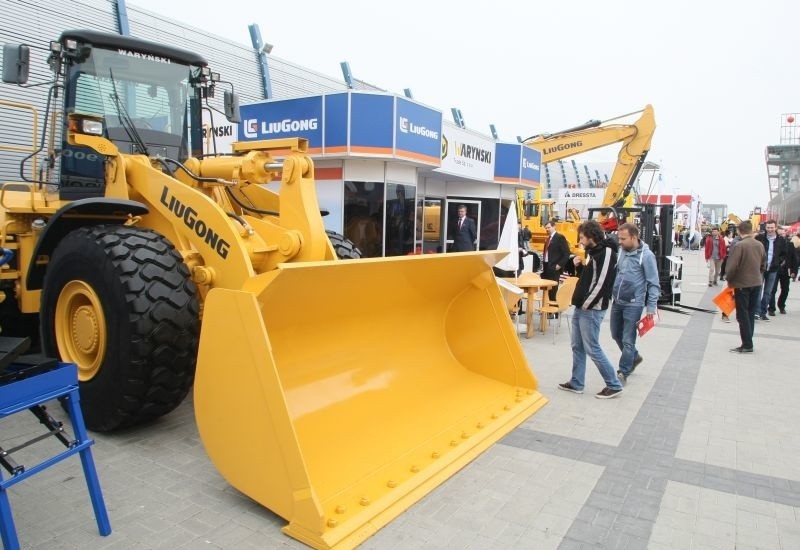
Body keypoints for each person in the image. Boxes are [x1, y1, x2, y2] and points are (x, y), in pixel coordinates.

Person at [558, 220, 623, 399]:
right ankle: (576, 382)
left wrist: (587, 304)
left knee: (592, 347)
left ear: (591, 236)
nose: (579, 239)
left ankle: (613, 384)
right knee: (577, 346)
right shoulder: (594, 252)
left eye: (582, 236)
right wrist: (578, 266)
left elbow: (602, 282)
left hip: (592, 308)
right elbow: (590, 278)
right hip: (583, 306)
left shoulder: (606, 252)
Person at [610, 223, 660, 384]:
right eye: (619, 238)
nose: (620, 241)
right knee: (615, 334)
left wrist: (651, 307)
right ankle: (635, 357)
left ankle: (623, 371)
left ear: (634, 237)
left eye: (623, 239)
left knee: (627, 339)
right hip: (617, 301)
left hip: (634, 304)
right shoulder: (621, 252)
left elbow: (654, 283)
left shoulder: (646, 256)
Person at [724, 220, 765, 353]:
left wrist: (729, 279)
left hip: (742, 284)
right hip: (757, 282)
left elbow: (731, 266)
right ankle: (749, 340)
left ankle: (747, 344)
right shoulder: (759, 245)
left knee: (742, 315)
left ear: (739, 231)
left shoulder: (739, 245)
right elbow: (764, 263)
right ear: (751, 230)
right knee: (751, 313)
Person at [755, 220, 791, 320]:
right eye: (768, 227)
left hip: (773, 269)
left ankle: (763, 312)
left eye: (772, 227)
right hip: (761, 268)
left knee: (768, 292)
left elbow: (784, 254)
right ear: (765, 228)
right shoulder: (760, 238)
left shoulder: (781, 240)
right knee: (758, 290)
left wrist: (778, 262)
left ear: (775, 228)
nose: (770, 229)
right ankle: (757, 312)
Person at [768, 226, 796, 314]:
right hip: (775, 269)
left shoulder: (790, 244)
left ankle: (781, 305)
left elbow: (794, 258)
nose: (782, 236)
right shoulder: (774, 243)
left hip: (786, 270)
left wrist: (794, 271)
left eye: (783, 234)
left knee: (785, 289)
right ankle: (771, 308)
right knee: (773, 289)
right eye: (780, 234)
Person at [541, 219, 570, 301]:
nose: (547, 229)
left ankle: (554, 312)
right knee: (546, 290)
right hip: (546, 267)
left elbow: (566, 253)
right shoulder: (548, 239)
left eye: (548, 227)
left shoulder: (560, 237)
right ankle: (546, 309)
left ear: (554, 227)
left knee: (553, 291)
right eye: (545, 228)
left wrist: (559, 265)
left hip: (554, 268)